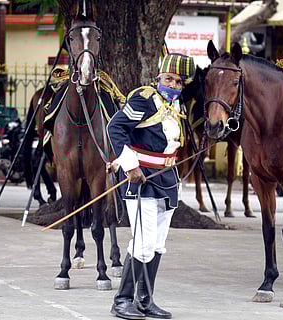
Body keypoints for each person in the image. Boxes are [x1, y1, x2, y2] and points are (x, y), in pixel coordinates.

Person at [107, 53, 195, 320]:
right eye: (168, 78)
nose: (173, 84)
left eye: (178, 81)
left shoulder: (179, 107)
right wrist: (128, 164)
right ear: (159, 77)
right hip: (141, 177)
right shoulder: (144, 99)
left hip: (167, 179)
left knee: (157, 244)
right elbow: (115, 128)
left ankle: (145, 300)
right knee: (143, 243)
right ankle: (122, 301)